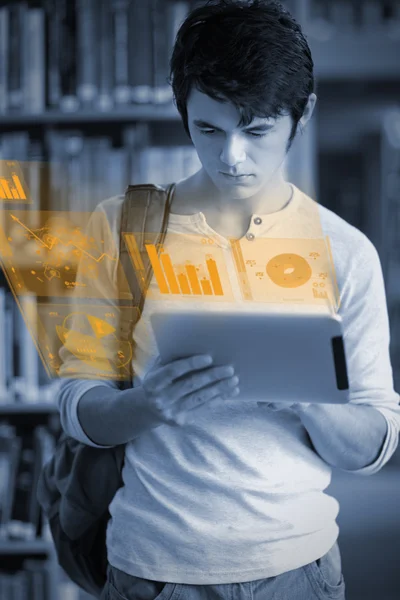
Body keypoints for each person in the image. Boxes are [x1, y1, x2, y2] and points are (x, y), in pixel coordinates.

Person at [57, 1, 400, 599]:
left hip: (300, 572)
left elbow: (376, 443)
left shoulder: (346, 251)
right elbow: (77, 404)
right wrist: (148, 405)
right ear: (183, 112)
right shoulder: (121, 229)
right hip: (153, 569)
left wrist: (310, 401)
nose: (231, 157)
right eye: (208, 129)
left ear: (303, 115)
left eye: (258, 130)